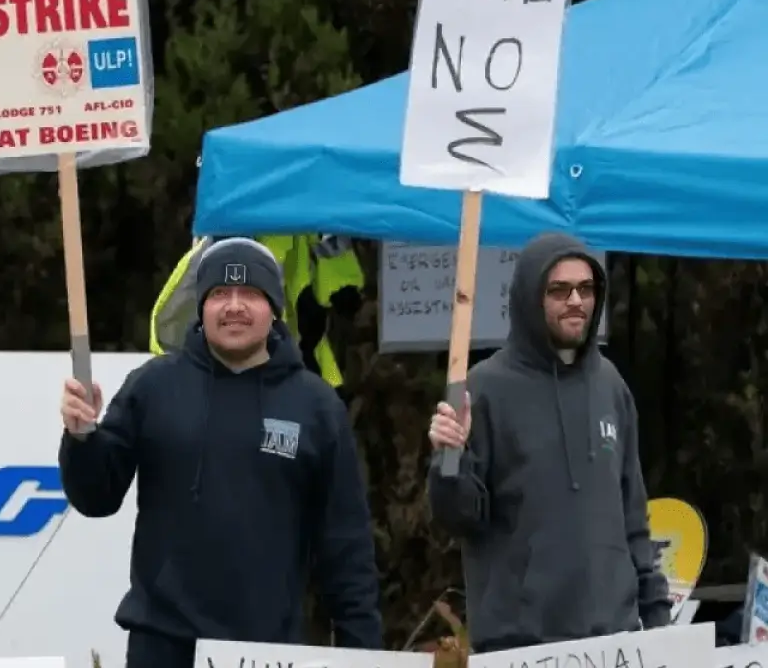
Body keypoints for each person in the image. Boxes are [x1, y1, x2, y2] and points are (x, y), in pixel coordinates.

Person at [59, 237, 382, 668]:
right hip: (162, 644)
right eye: (219, 294)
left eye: (249, 293)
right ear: (202, 307)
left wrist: (363, 653)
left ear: (274, 308)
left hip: (266, 652)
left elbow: (346, 547)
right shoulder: (152, 387)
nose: (233, 306)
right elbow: (95, 497)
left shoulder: (317, 406)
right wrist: (81, 437)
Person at [427, 232, 671, 653]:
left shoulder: (611, 385)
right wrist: (450, 461)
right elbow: (459, 519)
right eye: (559, 290)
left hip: (615, 640)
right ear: (529, 297)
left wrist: (657, 615)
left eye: (586, 288)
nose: (576, 300)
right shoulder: (483, 389)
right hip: (522, 645)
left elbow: (633, 513)